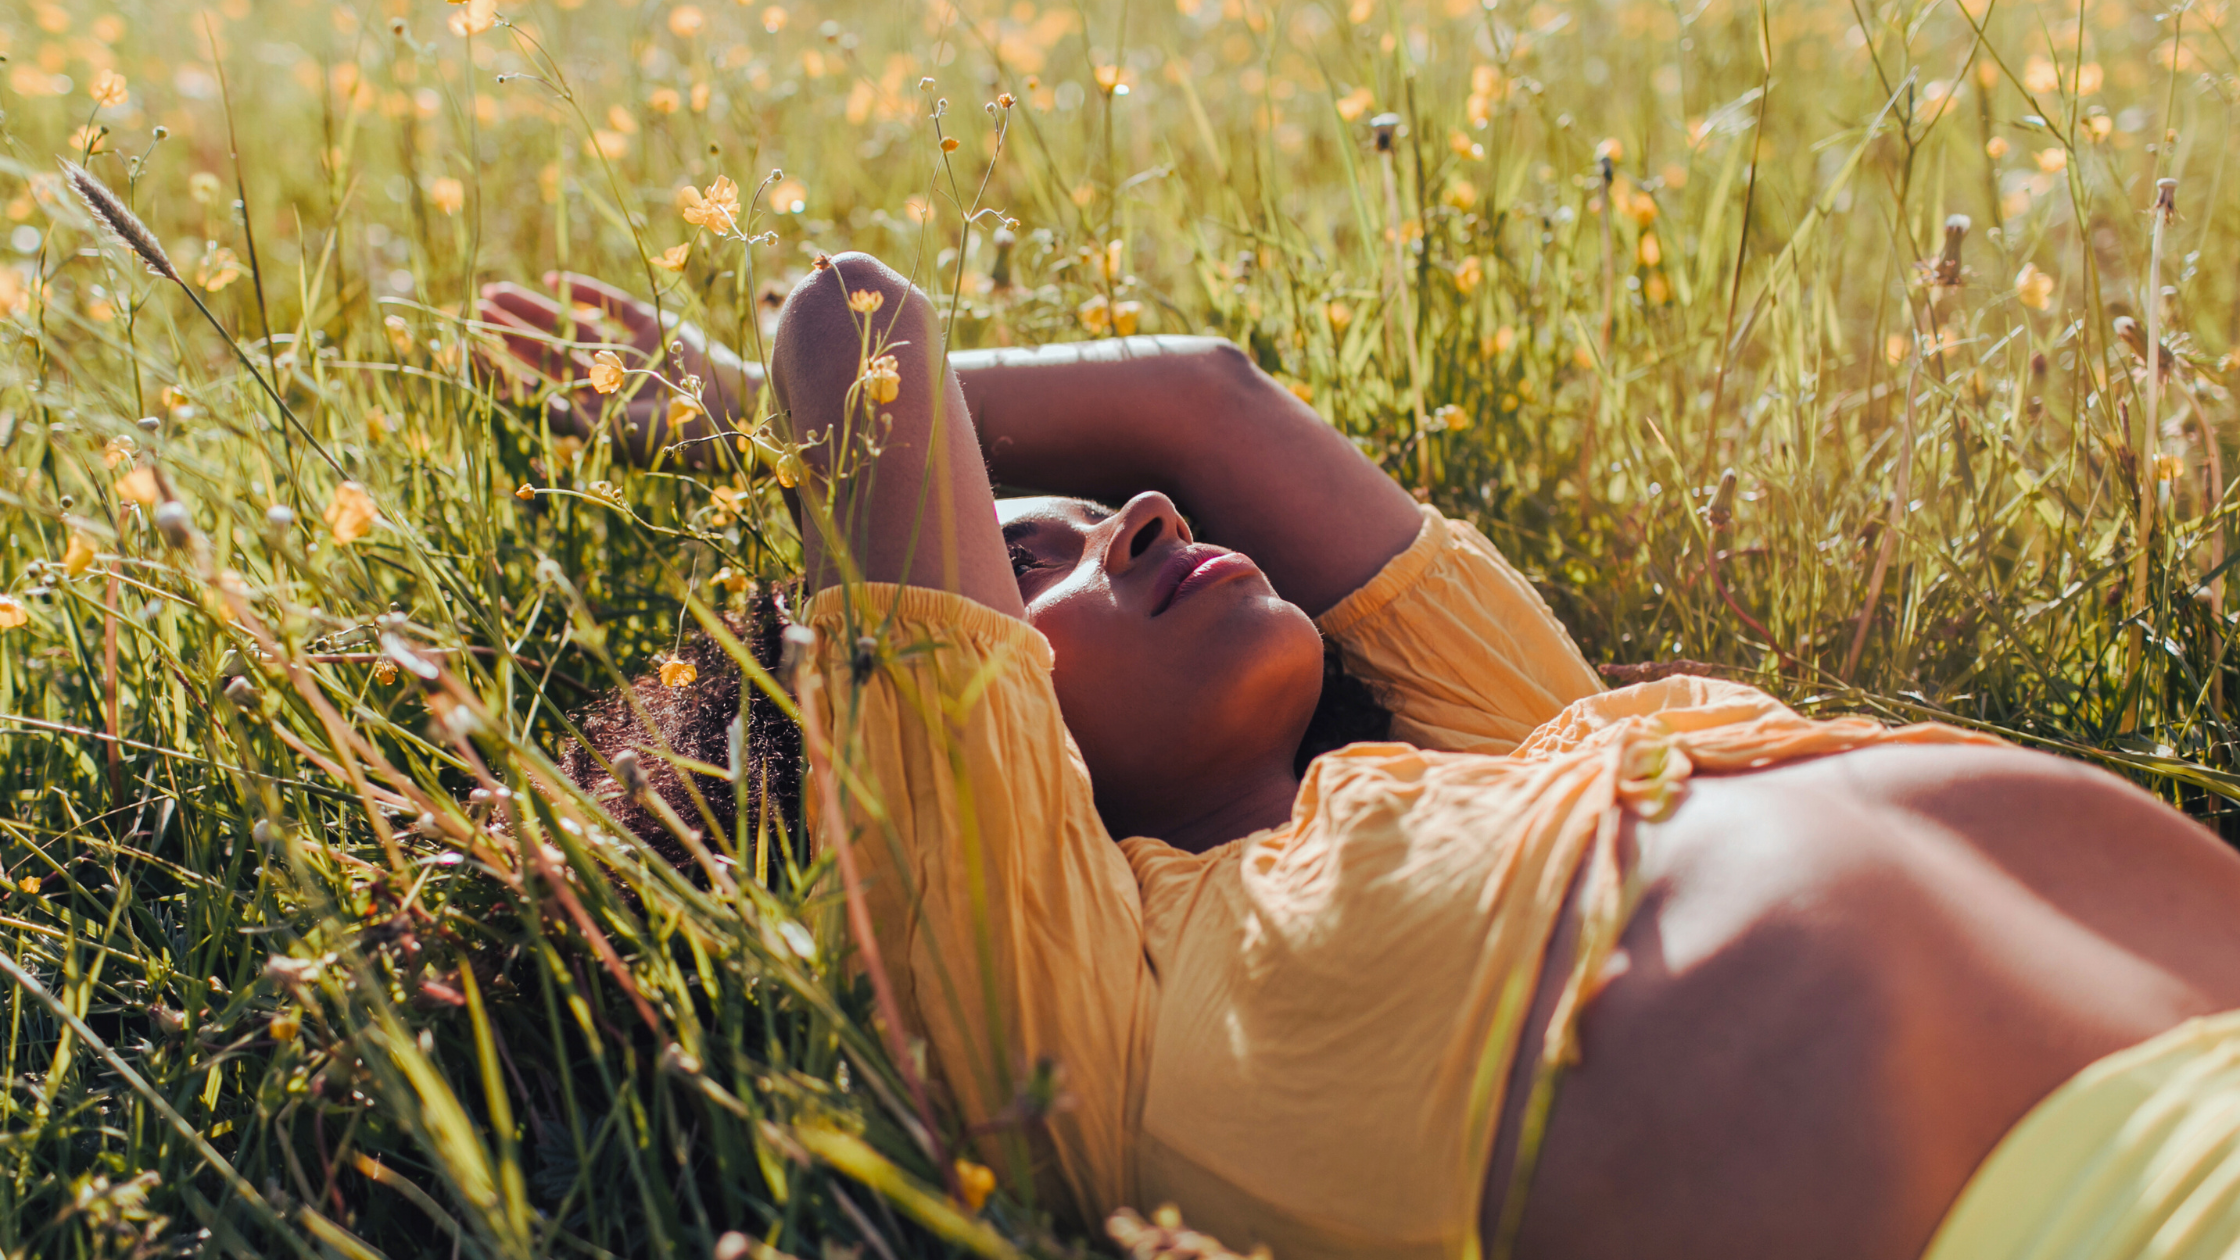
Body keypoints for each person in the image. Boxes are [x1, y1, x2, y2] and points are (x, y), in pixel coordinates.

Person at [486, 256, 2240, 1260]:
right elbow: (863, 327)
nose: (1145, 517)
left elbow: (1204, 396)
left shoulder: (1506, 744)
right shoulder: (1056, 989)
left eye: (1105, 520)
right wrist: (758, 425)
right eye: (1031, 561)